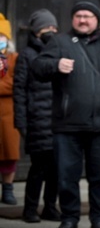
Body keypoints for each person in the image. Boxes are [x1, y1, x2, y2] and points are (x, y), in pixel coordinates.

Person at [31, 0, 100, 228]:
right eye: (78, 16)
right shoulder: (59, 41)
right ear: (72, 19)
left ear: (97, 20)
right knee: (67, 177)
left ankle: (99, 218)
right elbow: (38, 67)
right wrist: (55, 64)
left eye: (87, 16)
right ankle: (69, 218)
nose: (82, 20)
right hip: (67, 126)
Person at [13, 9, 61, 223]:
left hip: (58, 120)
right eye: (46, 27)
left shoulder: (60, 51)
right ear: (36, 31)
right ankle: (30, 209)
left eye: (53, 27)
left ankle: (50, 207)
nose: (50, 31)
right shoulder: (28, 55)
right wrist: (21, 122)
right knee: (38, 169)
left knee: (56, 169)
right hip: (37, 121)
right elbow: (19, 90)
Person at [0, 12, 21, 206]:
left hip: (8, 114)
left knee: (9, 154)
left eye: (1, 36)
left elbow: (17, 83)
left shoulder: (14, 58)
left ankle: (7, 190)